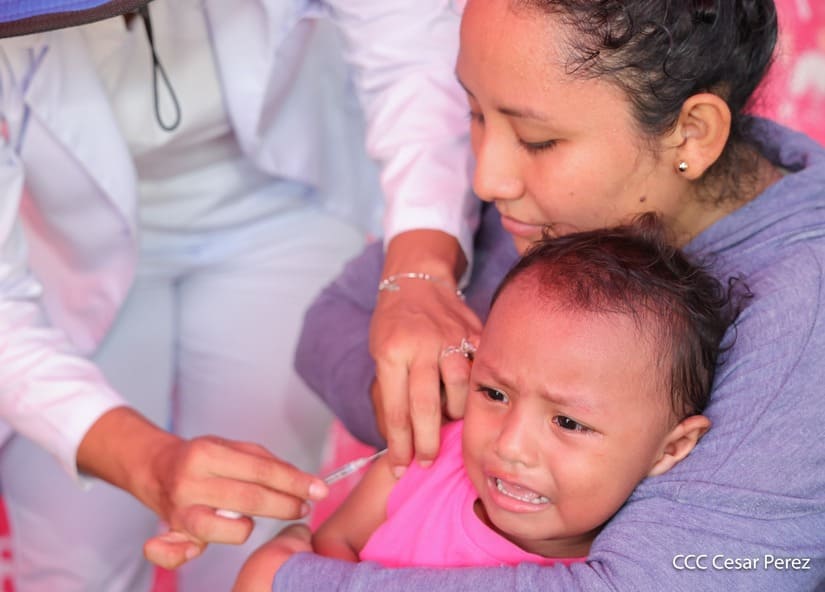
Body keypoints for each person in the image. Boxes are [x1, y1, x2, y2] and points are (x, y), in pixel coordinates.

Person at [277, 0, 825, 590]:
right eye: (474, 112)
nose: (486, 178)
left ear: (691, 133)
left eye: (537, 140)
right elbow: (332, 321)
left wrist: (288, 580)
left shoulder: (802, 310)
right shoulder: (543, 191)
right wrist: (451, 408)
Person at [0, 1, 478, 591]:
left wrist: (420, 272)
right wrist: (150, 464)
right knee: (76, 558)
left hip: (278, 205)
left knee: (248, 531)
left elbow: (410, 53)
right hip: (62, 248)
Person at [233, 218, 743, 590]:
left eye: (568, 422)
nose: (510, 445)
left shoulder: (629, 568)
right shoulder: (428, 457)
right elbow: (334, 545)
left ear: (671, 448)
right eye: (494, 393)